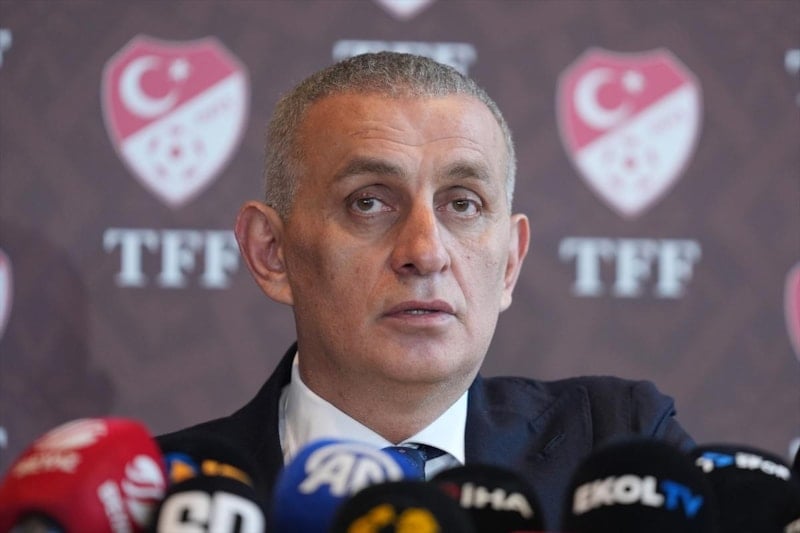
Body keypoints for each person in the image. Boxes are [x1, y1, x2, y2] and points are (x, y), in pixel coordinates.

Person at [158, 52, 693, 527]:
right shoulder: (160, 496)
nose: (426, 251)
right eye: (368, 202)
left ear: (509, 262)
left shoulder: (619, 444)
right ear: (272, 251)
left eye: (462, 203)